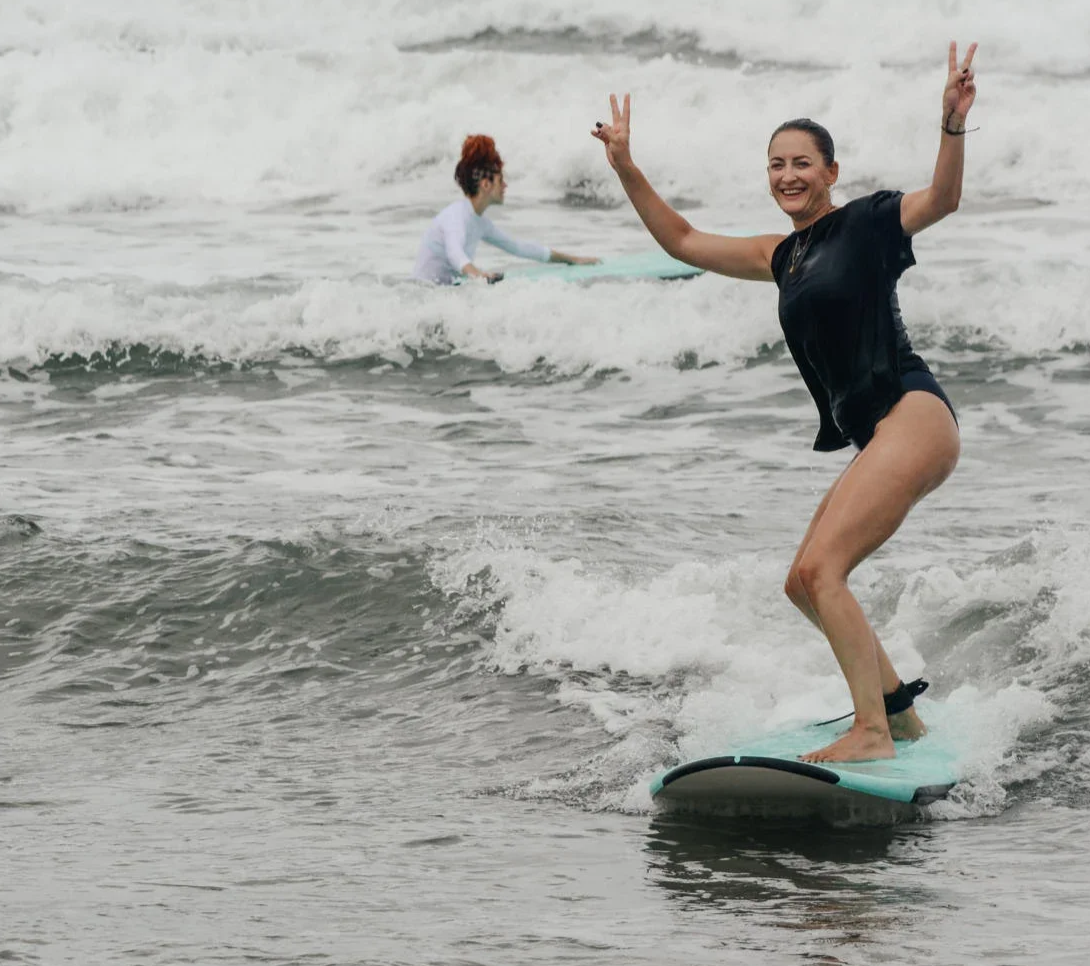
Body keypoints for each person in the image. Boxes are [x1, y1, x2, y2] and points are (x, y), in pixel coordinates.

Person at [590, 41, 979, 763]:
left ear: (831, 172)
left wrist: (951, 125)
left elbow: (943, 200)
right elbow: (680, 240)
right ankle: (897, 717)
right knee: (802, 582)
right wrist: (626, 168)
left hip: (913, 413)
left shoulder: (866, 223)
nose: (788, 174)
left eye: (803, 163)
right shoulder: (782, 256)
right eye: (776, 164)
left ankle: (869, 734)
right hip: (884, 432)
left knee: (823, 571)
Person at [412, 134, 597, 285]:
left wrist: (572, 260)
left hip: (440, 295)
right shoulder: (456, 216)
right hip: (423, 298)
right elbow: (455, 253)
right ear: (486, 184)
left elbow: (518, 247)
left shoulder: (479, 222)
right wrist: (478, 275)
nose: (505, 186)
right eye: (501, 180)